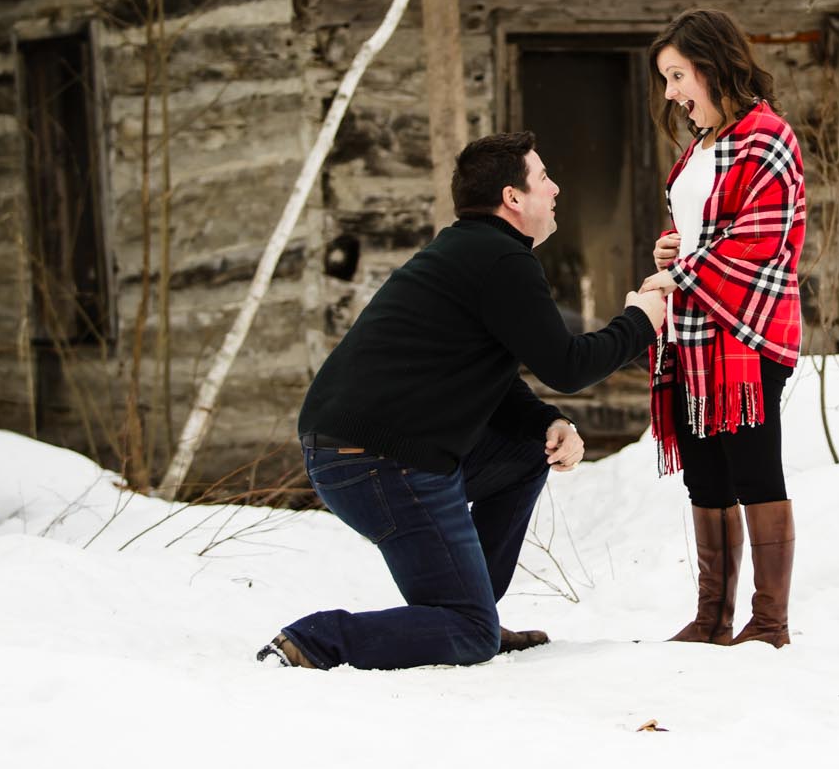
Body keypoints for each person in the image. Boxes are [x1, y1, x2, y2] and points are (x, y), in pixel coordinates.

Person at [258, 131, 665, 670]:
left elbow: (488, 377)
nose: (556, 187)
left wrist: (549, 421)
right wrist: (641, 322)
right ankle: (317, 641)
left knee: (527, 451)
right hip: (380, 463)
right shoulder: (499, 260)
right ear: (512, 198)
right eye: (543, 178)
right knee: (471, 637)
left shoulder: (472, 252)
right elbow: (567, 365)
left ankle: (465, 613)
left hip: (365, 454)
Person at [643, 8, 807, 648]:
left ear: (712, 67)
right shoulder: (701, 149)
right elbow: (704, 229)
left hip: (748, 329)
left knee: (754, 467)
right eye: (665, 79)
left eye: (677, 75)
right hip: (692, 333)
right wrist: (670, 251)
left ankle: (769, 624)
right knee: (704, 471)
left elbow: (757, 242)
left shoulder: (767, 137)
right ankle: (713, 618)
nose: (672, 93)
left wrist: (678, 276)